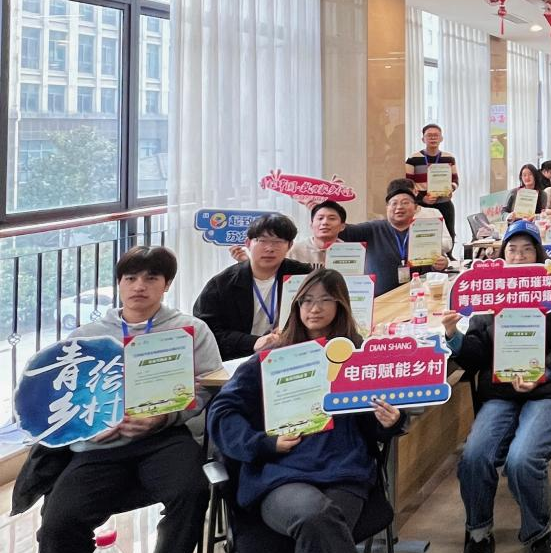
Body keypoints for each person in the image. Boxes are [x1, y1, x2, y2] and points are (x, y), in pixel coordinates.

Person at [17, 246, 222, 553]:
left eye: (151, 278)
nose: (139, 286)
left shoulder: (191, 330)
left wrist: (163, 417)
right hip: (98, 446)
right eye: (130, 278)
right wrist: (88, 429)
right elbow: (64, 397)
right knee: (59, 524)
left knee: (191, 493)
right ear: (119, 283)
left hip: (164, 437)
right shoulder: (87, 337)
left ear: (166, 284)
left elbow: (206, 387)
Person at [207, 269, 408, 553]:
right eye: (307, 300)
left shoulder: (357, 357)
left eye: (325, 300)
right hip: (281, 475)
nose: (314, 308)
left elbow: (373, 421)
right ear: (297, 305)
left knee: (321, 528)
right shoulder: (272, 358)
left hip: (344, 473)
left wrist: (390, 420)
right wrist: (264, 443)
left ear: (340, 305)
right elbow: (222, 411)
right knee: (316, 518)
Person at [439, 221, 551, 553]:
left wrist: (544, 372)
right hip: (502, 393)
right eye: (512, 250)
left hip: (549, 391)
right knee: (474, 456)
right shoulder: (490, 293)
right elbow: (477, 354)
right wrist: (454, 336)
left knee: (522, 459)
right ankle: (478, 531)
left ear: (539, 253)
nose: (519, 257)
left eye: (527, 250)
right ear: (502, 255)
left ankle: (539, 531)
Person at [196, 214, 314, 359]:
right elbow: (207, 331)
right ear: (248, 243)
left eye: (278, 241)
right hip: (239, 357)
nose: (270, 248)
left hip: (289, 354)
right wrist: (253, 342)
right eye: (262, 241)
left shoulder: (303, 275)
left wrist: (291, 329)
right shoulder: (222, 284)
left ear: (289, 246)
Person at [339, 179, 450, 298]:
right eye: (394, 203)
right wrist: (329, 200)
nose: (399, 207)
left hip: (417, 298)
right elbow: (341, 230)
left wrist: (440, 264)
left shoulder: (423, 231)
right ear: (387, 208)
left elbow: (431, 267)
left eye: (405, 202)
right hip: (381, 300)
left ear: (415, 208)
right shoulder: (372, 229)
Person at [405, 123, 460, 241]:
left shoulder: (449, 158)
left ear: (441, 138)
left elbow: (455, 180)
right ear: (423, 139)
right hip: (422, 204)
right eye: (429, 135)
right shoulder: (413, 159)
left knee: (448, 235)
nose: (433, 138)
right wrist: (422, 198)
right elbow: (408, 184)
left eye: (436, 135)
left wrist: (450, 188)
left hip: (444, 203)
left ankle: (449, 253)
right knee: (424, 236)